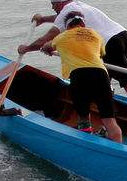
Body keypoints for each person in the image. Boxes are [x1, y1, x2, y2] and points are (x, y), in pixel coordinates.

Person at [18, 0, 127, 134]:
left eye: (53, 5)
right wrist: (43, 20)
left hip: (109, 43)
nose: (52, 8)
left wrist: (27, 48)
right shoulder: (79, 6)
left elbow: (47, 38)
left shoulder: (65, 13)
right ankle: (107, 124)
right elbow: (61, 18)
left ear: (60, 3)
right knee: (106, 79)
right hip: (123, 36)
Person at [40, 11, 122, 143]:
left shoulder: (62, 37)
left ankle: (87, 142)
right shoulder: (96, 35)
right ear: (83, 23)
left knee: (83, 117)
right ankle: (120, 151)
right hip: (100, 74)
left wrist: (46, 49)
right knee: (109, 120)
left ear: (67, 26)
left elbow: (46, 46)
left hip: (79, 76)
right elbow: (101, 54)